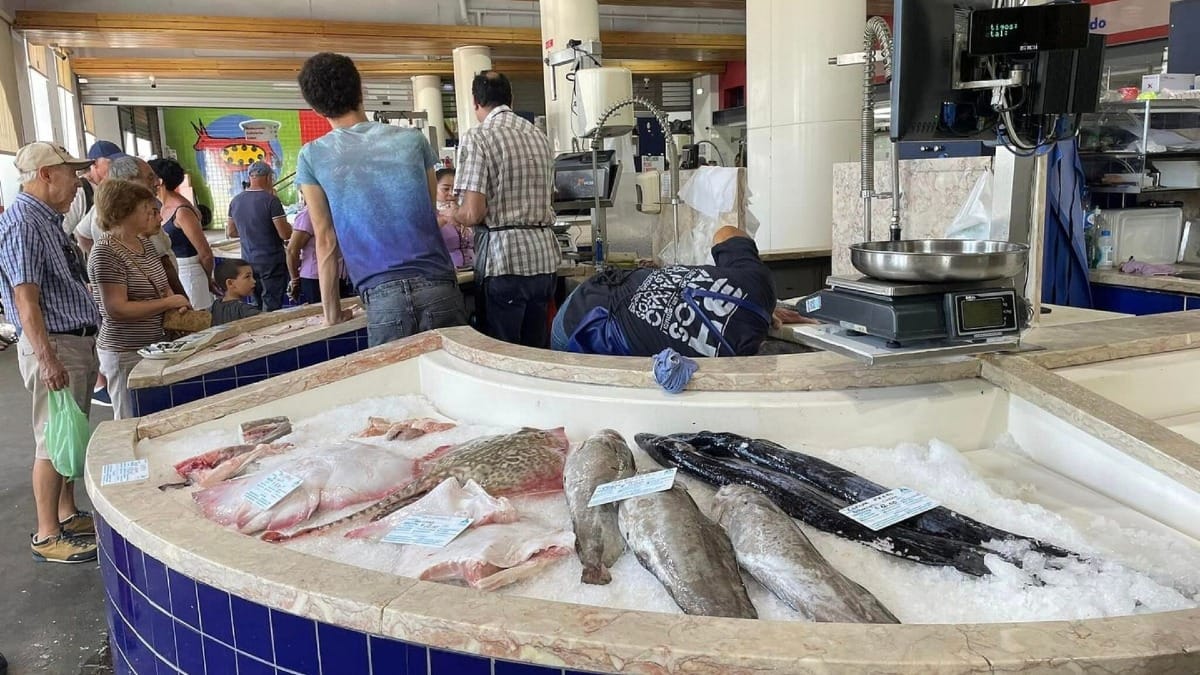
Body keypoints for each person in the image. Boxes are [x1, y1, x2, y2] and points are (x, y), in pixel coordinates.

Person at [295, 51, 465, 346]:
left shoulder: (312, 156)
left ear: (316, 108)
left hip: (381, 295)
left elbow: (325, 239)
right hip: (438, 283)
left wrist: (332, 313)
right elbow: (427, 211)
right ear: (360, 89)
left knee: (397, 388)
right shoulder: (412, 141)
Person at [0, 142, 102, 564]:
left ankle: (66, 513)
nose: (77, 180)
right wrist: (47, 358)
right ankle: (47, 534)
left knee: (67, 434)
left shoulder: (46, 220)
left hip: (70, 340)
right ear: (45, 174)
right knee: (51, 438)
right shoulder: (24, 221)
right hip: (55, 343)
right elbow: (26, 300)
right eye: (70, 172)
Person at [551, 226, 777, 358]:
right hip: (581, 328)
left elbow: (725, 232)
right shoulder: (724, 361)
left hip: (600, 288)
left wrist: (760, 302)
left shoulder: (758, 282)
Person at [453, 71, 559, 349]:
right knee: (538, 350)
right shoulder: (540, 137)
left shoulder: (478, 137)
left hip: (505, 261)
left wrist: (449, 214)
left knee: (505, 355)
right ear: (510, 99)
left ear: (475, 102)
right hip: (544, 260)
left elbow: (473, 213)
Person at [88, 180, 191, 419]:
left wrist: (175, 306)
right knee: (130, 418)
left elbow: (161, 286)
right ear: (124, 211)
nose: (152, 213)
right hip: (125, 351)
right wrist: (168, 303)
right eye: (146, 208)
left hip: (155, 345)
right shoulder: (106, 252)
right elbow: (117, 309)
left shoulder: (143, 242)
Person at [150, 158, 217, 311]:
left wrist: (207, 279)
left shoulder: (182, 211)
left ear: (159, 181)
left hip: (190, 275)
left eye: (149, 176)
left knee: (196, 324)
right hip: (173, 274)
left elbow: (205, 253)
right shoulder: (159, 206)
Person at [226, 161, 291, 311]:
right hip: (271, 263)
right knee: (272, 305)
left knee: (256, 305)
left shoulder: (235, 201)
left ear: (250, 177)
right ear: (269, 177)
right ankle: (273, 334)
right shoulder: (271, 201)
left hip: (248, 261)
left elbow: (231, 232)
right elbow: (285, 233)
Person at [286, 201, 351, 305]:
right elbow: (292, 250)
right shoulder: (309, 214)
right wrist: (295, 279)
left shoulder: (335, 210)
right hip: (316, 279)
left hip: (338, 275)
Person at [62, 140, 124, 238]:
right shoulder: (80, 191)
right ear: (94, 163)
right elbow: (65, 230)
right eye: (111, 162)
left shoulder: (114, 188)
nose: (117, 167)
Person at [435, 167, 474, 269]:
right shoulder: (428, 214)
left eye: (456, 189)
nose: (452, 193)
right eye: (446, 189)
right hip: (447, 273)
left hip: (473, 272)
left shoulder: (467, 212)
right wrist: (444, 219)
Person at [210, 258, 262, 325]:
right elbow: (268, 319)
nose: (254, 281)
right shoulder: (244, 310)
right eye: (247, 277)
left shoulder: (216, 305)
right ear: (230, 283)